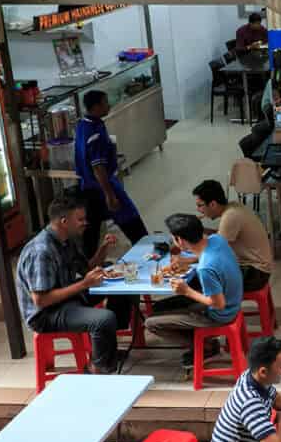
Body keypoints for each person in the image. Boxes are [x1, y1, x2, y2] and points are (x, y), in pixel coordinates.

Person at [16, 195, 132, 375]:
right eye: (80, 219)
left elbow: (88, 268)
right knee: (104, 319)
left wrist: (103, 247)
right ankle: (97, 370)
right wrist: (84, 284)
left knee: (118, 278)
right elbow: (41, 300)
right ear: (64, 221)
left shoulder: (66, 240)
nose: (85, 223)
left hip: (67, 298)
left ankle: (108, 348)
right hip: (46, 314)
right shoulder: (41, 251)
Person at [145, 214, 243, 367]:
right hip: (234, 300)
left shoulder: (206, 268)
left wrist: (186, 291)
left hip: (221, 314)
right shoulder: (217, 240)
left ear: (180, 240)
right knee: (159, 307)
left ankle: (208, 347)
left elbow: (218, 304)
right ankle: (204, 343)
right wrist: (187, 262)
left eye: (173, 238)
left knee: (151, 323)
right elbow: (213, 261)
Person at [74, 90, 148, 258]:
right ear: (96, 106)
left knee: (90, 233)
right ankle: (149, 256)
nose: (109, 105)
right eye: (105, 102)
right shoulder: (94, 132)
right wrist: (110, 194)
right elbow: (98, 167)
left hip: (87, 189)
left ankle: (88, 267)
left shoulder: (82, 125)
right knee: (132, 223)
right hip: (102, 187)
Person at [185, 180, 273, 292]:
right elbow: (219, 237)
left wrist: (188, 260)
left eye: (200, 205)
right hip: (255, 269)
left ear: (212, 204)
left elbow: (215, 252)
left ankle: (207, 308)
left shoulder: (231, 216)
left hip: (255, 273)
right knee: (199, 276)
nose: (198, 210)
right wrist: (201, 229)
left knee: (199, 279)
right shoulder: (233, 207)